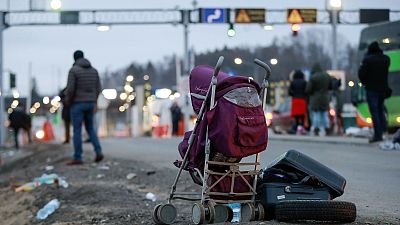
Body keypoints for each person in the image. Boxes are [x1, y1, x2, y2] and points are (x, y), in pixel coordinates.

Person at [64, 50, 103, 165]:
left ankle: (78, 157)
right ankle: (98, 151)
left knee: (77, 130)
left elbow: (70, 89)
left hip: (77, 104)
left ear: (74, 59)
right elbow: (98, 88)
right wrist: (94, 101)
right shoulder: (94, 71)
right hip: (90, 103)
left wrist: (68, 101)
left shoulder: (73, 71)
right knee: (90, 128)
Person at [358, 41, 391, 143]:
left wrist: (365, 82)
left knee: (375, 112)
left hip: (372, 89)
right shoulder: (386, 59)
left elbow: (361, 74)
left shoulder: (368, 60)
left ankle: (378, 135)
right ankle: (384, 131)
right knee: (381, 111)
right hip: (383, 89)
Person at [306, 64, 332, 136]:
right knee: (325, 114)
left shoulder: (313, 77)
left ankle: (316, 129)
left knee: (316, 114)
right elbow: (331, 86)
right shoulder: (327, 76)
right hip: (325, 97)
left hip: (315, 98)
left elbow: (308, 89)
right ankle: (327, 128)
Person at [288, 70, 307, 135]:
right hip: (302, 100)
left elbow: (289, 92)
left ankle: (295, 128)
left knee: (296, 116)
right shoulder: (304, 82)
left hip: (295, 100)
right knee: (302, 115)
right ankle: (301, 128)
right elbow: (306, 91)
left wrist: (294, 94)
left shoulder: (293, 82)